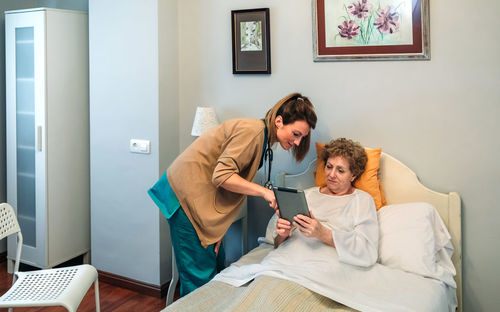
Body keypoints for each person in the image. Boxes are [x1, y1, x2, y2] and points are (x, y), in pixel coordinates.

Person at [148, 93, 317, 296]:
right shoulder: (253, 132)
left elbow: (230, 183)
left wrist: (216, 230)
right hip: (184, 197)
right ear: (279, 122)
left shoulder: (262, 138)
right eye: (296, 134)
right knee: (199, 281)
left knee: (216, 267)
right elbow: (222, 175)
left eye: (302, 137)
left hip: (197, 200)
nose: (298, 142)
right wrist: (265, 192)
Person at [274, 137, 378, 267]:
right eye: (329, 167)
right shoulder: (305, 195)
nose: (331, 174)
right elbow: (276, 245)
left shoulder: (362, 200)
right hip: (285, 262)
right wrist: (283, 235)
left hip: (324, 268)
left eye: (340, 170)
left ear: (353, 175)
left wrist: (322, 233)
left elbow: (367, 251)